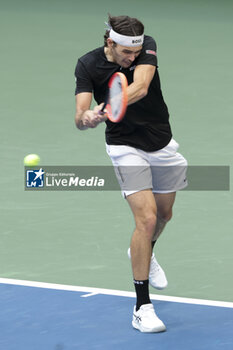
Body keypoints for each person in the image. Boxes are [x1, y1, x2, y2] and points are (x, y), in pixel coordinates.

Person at [74, 14, 187, 333]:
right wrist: (88, 119)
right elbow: (79, 115)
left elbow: (140, 86)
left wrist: (109, 107)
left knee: (165, 214)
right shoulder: (87, 65)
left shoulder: (145, 46)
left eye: (135, 52)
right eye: (126, 52)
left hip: (160, 141)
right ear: (110, 43)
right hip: (124, 146)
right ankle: (142, 308)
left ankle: (142, 250)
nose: (132, 57)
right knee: (147, 219)